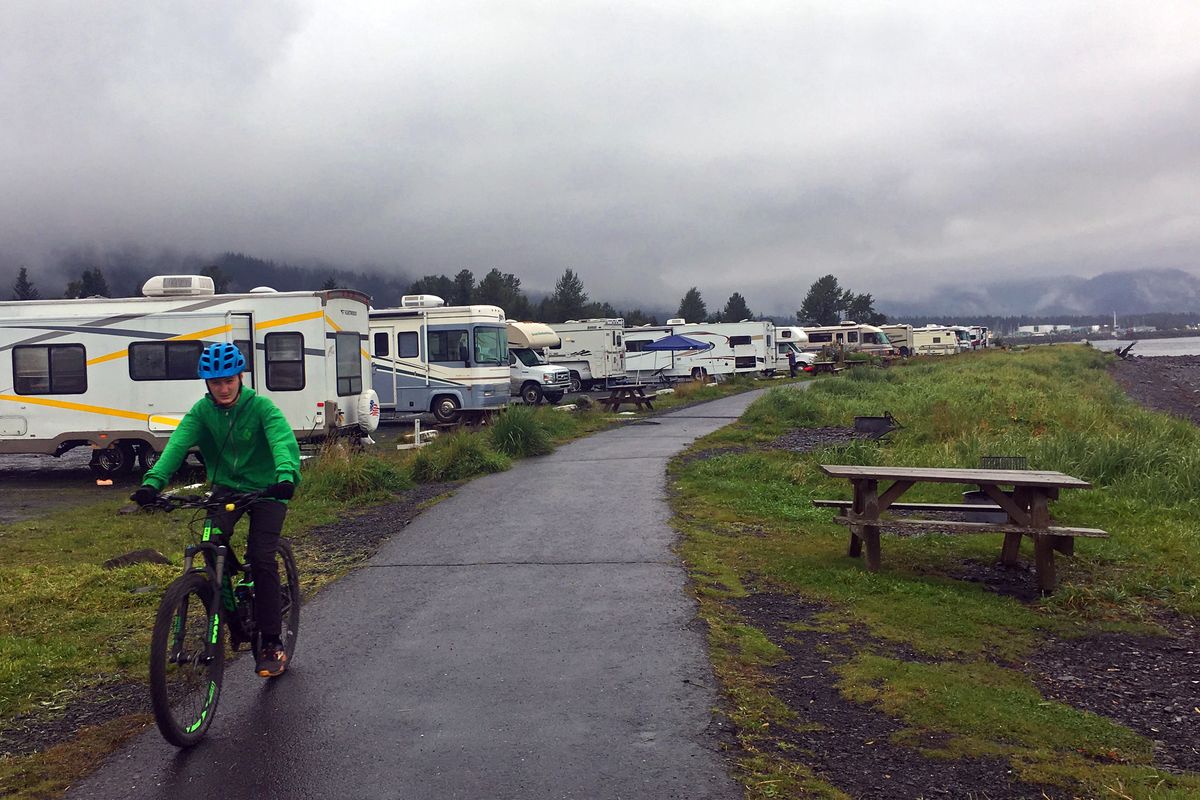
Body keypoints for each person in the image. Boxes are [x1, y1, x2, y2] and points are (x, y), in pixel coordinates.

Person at [131, 342, 301, 678]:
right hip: (226, 487)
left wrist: (285, 476)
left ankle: (271, 641)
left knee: (262, 555)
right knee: (211, 544)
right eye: (215, 382)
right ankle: (233, 617)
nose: (222, 388)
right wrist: (152, 483)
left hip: (269, 488)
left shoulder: (262, 407)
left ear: (240, 377)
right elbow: (177, 445)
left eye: (228, 381)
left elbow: (282, 441)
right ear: (206, 384)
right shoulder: (202, 412)